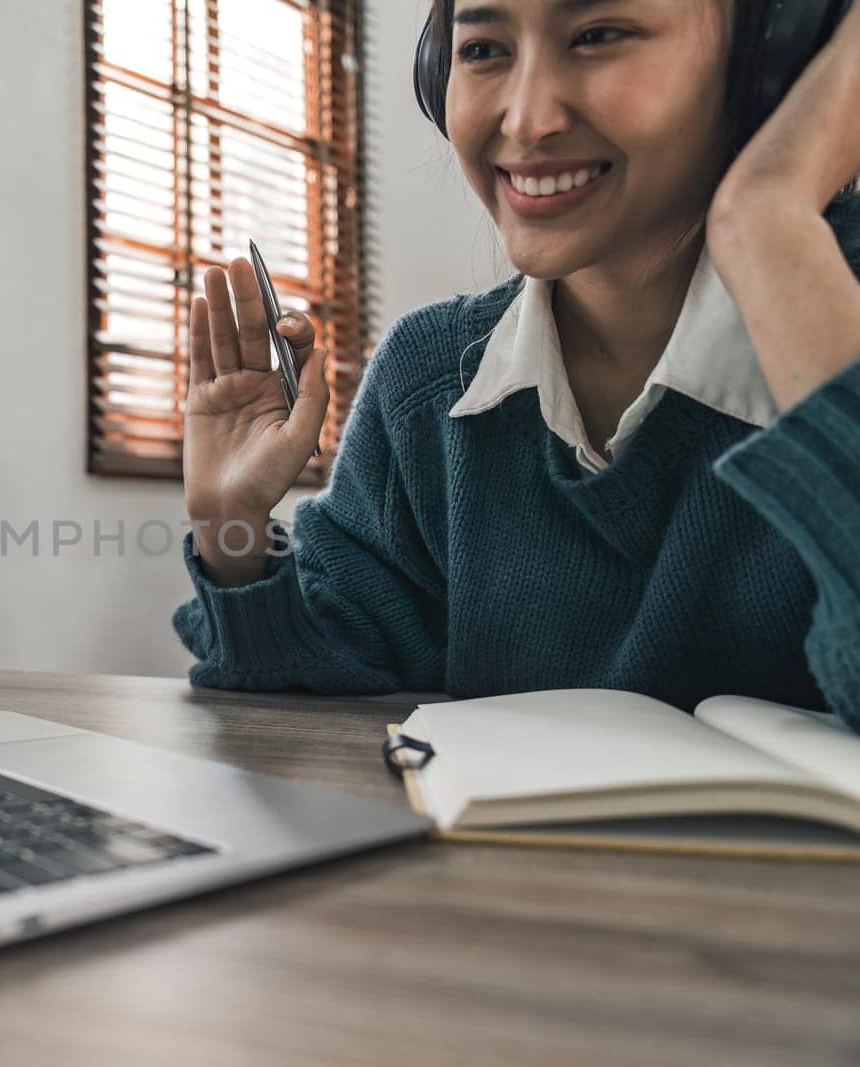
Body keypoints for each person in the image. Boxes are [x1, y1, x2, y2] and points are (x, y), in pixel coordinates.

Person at [173, 0, 860, 732]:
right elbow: (311, 673)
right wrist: (231, 526)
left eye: (598, 36)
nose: (527, 121)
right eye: (482, 51)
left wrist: (769, 217)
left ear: (772, 68)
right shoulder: (431, 383)